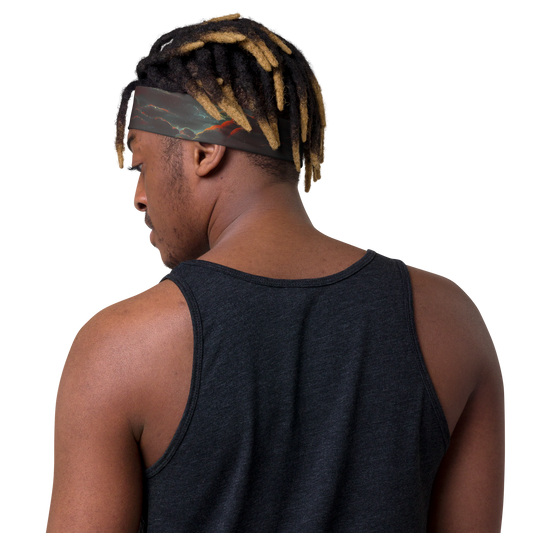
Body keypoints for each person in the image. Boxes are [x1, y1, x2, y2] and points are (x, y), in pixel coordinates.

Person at [46, 10, 507, 533]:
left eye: (140, 165)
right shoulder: (452, 321)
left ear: (204, 150)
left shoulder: (117, 349)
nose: (137, 197)